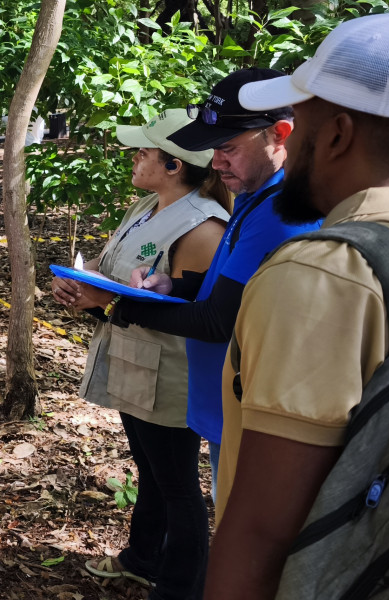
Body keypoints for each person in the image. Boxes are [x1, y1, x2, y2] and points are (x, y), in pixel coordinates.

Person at [205, 13, 389, 598]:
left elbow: (263, 532)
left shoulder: (323, 274)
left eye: (298, 119)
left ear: (336, 133)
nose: (290, 133)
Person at [113, 69, 321, 496]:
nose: (216, 161)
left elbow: (219, 321)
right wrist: (177, 287)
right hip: (228, 410)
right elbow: (237, 289)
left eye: (226, 147)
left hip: (255, 418)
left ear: (279, 134)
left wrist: (119, 305)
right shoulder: (255, 193)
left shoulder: (280, 210)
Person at [52, 108, 230, 598]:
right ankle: (143, 557)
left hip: (168, 376)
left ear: (174, 165)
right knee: (151, 471)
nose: (135, 158)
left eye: (144, 151)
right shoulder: (147, 207)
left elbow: (194, 313)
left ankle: (180, 586)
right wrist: (79, 282)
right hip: (135, 367)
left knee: (177, 485)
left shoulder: (204, 229)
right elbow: (110, 266)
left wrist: (106, 298)